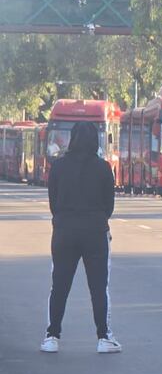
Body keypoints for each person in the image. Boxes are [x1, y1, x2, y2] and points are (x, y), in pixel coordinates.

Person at [40, 121, 121, 354]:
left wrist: (65, 218)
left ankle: (52, 336)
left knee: (60, 285)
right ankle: (104, 337)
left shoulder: (58, 167)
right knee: (98, 286)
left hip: (64, 231)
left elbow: (53, 202)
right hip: (95, 232)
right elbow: (109, 206)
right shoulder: (104, 168)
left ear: (71, 139)